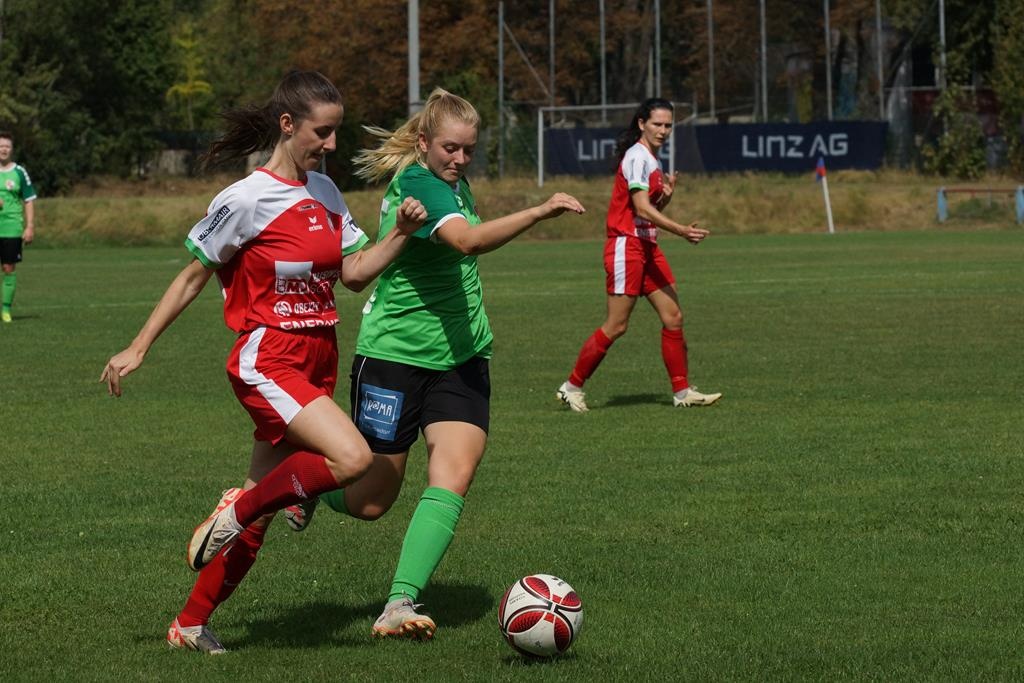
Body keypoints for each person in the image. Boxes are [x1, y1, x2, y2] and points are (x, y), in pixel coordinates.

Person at [99, 70, 426, 654]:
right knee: (352, 458)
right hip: (268, 357)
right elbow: (192, 275)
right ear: (287, 125)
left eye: (336, 132)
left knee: (261, 521)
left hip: (319, 355)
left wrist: (398, 234)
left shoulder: (325, 193)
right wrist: (139, 346)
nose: (331, 145)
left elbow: (351, 275)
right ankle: (235, 506)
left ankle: (189, 624)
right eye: (322, 133)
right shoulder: (246, 199)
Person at [283, 87, 585, 640]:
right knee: (371, 501)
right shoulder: (419, 183)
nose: (460, 160)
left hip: (463, 356)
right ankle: (300, 485)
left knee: (456, 472)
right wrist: (540, 210)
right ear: (424, 144)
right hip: (395, 356)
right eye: (450, 148)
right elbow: (467, 242)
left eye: (469, 150)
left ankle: (399, 603)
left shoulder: (450, 181)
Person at [555, 98, 721, 412]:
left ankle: (682, 391)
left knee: (673, 317)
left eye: (668, 125)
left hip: (647, 246)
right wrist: (682, 230)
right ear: (642, 123)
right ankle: (571, 386)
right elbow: (641, 208)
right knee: (617, 325)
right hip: (625, 247)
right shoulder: (637, 157)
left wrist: (666, 199)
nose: (663, 130)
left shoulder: (651, 160)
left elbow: (646, 211)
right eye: (657, 124)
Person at [0, 132, 37, 323]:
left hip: (11, 228)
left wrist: (29, 227)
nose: (3, 149)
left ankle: (5, 310)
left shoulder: (20, 172)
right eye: (0, 146)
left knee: (8, 268)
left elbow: (29, 200)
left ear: (12, 149)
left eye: (7, 146)